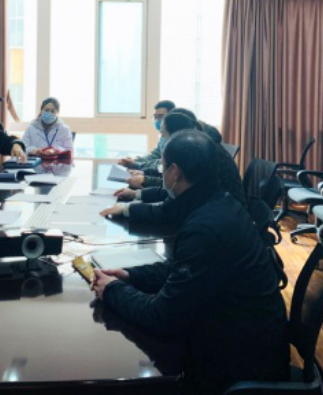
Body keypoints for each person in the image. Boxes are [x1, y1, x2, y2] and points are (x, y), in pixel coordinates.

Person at [93, 130, 289, 394]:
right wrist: (130, 275)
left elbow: (162, 317)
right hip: (245, 335)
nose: (161, 173)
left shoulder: (206, 227)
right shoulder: (218, 201)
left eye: (162, 167)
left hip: (239, 362)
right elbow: (182, 267)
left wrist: (112, 290)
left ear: (174, 172)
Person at [108, 113, 246, 224]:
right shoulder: (200, 146)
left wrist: (127, 208)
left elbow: (171, 209)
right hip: (230, 215)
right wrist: (136, 195)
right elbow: (173, 194)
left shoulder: (197, 154)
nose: (161, 138)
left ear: (176, 134)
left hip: (217, 222)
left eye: (163, 134)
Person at [119, 100, 175, 171]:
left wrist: (137, 166)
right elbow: (154, 156)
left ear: (171, 116)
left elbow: (162, 164)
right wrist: (135, 160)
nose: (157, 120)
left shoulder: (177, 139)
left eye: (160, 116)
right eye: (155, 116)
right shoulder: (164, 136)